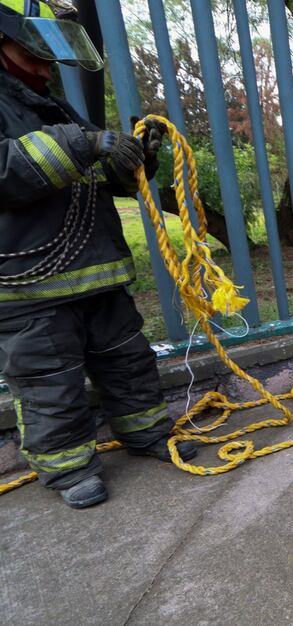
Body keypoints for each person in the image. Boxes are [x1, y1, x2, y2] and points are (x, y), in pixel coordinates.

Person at [0, 0, 196, 509]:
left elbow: (93, 179)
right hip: (30, 288)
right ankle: (69, 471)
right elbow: (9, 170)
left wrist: (136, 157)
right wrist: (87, 143)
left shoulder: (49, 103)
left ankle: (149, 434)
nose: (47, 66)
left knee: (129, 363)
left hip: (97, 273)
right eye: (32, 53)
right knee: (50, 384)